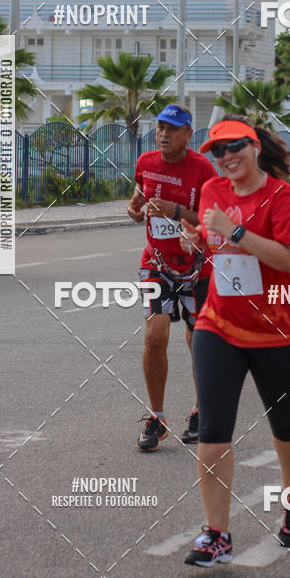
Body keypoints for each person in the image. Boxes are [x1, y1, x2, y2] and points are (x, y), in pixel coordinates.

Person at [179, 117, 290, 567]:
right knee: (213, 435)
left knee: (285, 428)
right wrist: (198, 238)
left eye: (235, 146)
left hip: (278, 332)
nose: (226, 156)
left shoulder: (281, 196)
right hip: (218, 326)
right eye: (218, 150)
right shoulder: (212, 191)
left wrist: (235, 232)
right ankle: (217, 535)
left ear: (254, 147)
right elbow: (214, 245)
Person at [127, 104, 217, 451]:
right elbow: (138, 199)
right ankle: (157, 416)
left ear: (187, 135)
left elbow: (211, 217)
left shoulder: (203, 169)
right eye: (160, 127)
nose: (163, 134)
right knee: (155, 334)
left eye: (172, 128)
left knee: (199, 343)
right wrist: (134, 209)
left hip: (196, 265)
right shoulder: (146, 162)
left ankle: (201, 411)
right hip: (157, 261)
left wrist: (176, 211)